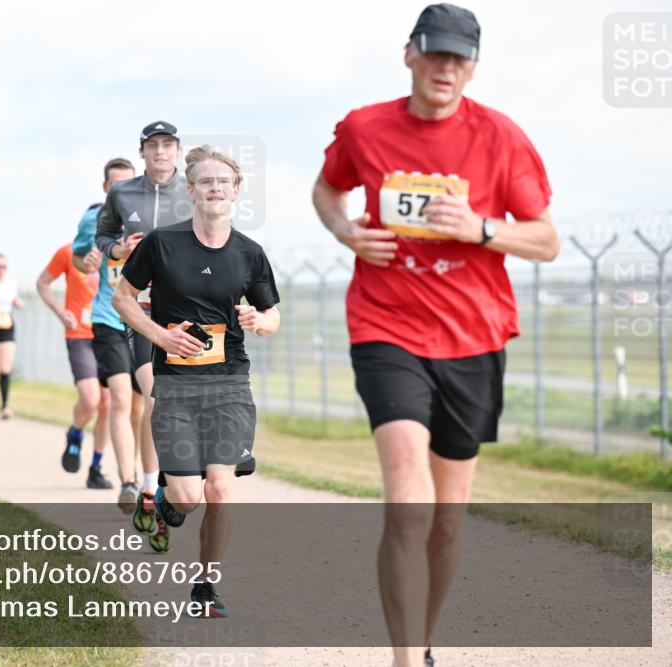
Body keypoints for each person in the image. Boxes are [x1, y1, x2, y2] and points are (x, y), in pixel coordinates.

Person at [311, 5, 559, 665]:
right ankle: (403, 656)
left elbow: (547, 240)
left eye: (459, 58)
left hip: (473, 335)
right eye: (435, 53)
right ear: (409, 54)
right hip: (385, 323)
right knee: (408, 498)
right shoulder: (366, 129)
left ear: (472, 67)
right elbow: (327, 189)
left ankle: (422, 640)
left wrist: (478, 228)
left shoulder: (501, 138)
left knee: (448, 520)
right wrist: (345, 231)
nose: (446, 68)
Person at [114, 145, 281, 617]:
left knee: (220, 489)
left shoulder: (250, 253)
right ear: (190, 191)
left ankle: (206, 586)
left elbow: (273, 316)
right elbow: (123, 298)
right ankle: (167, 498)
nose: (214, 188)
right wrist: (160, 336)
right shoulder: (162, 244)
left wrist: (259, 320)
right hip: (177, 388)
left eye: (222, 182)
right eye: (205, 182)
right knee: (189, 500)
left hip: (229, 383)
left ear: (235, 192)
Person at [96, 122, 194, 519]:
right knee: (155, 395)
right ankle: (152, 488)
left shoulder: (192, 190)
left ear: (177, 150)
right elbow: (104, 237)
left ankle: (173, 480)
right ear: (142, 152)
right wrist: (119, 247)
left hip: (187, 312)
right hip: (140, 311)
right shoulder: (122, 192)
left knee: (183, 401)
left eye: (167, 145)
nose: (160, 152)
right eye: (152, 145)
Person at [73, 158, 149, 512]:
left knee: (140, 407)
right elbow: (78, 257)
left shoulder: (151, 215)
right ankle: (128, 482)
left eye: (128, 184)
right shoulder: (94, 219)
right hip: (107, 317)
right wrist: (86, 262)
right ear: (106, 189)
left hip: (144, 318)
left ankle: (142, 476)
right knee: (118, 399)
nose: (123, 191)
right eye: (116, 185)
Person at [37, 241, 113, 489]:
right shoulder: (69, 252)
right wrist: (61, 313)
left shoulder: (117, 253)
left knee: (107, 404)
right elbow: (43, 283)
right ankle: (76, 432)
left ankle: (96, 469)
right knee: (91, 399)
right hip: (79, 335)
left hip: (109, 335)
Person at [0, 254, 24, 419]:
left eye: (3, 267)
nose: (0, 270)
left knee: (6, 367)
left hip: (6, 324)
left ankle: (5, 405)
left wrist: (18, 303)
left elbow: (15, 299)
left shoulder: (12, 283)